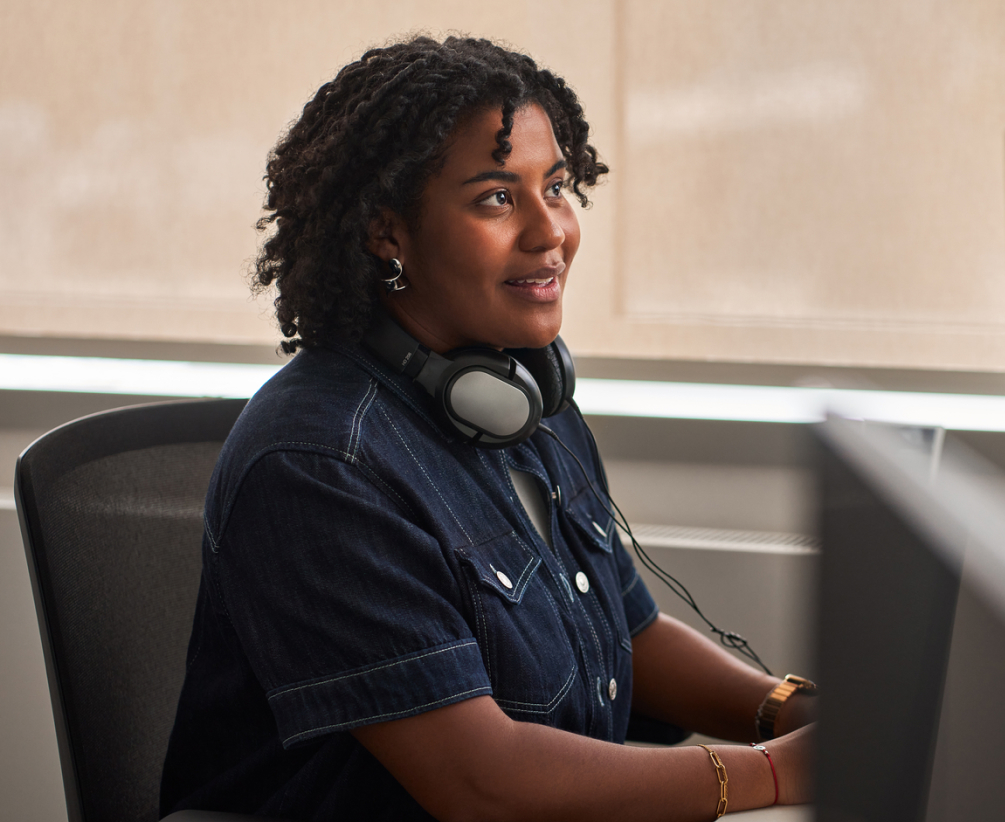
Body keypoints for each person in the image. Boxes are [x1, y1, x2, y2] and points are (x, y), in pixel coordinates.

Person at [161, 34, 815, 822]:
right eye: (496, 198)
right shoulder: (318, 461)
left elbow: (627, 633)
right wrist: (774, 776)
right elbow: (481, 782)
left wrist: (788, 712)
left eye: (558, 187)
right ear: (386, 232)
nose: (551, 232)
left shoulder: (523, 394)